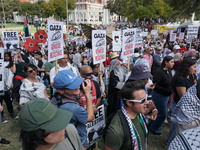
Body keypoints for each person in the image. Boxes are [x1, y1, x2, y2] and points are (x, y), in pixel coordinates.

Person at [19, 98, 84, 150]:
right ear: (36, 135)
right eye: (54, 127)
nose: (63, 127)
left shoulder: (70, 130)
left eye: (59, 120)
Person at [52, 70, 94, 148]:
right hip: (78, 142)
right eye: (73, 86)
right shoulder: (73, 108)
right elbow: (90, 117)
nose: (77, 86)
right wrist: (88, 94)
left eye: (77, 83)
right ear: (61, 90)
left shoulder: (56, 98)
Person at [104, 81, 148, 150]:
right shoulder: (116, 131)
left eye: (146, 98)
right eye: (142, 100)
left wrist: (154, 110)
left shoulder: (139, 113)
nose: (147, 102)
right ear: (129, 103)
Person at [148, 56, 174, 135]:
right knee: (162, 113)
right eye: (171, 62)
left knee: (160, 112)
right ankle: (154, 128)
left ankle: (153, 126)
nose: (173, 64)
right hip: (159, 95)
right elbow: (155, 85)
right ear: (166, 62)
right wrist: (167, 90)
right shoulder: (159, 72)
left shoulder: (169, 71)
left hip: (166, 96)